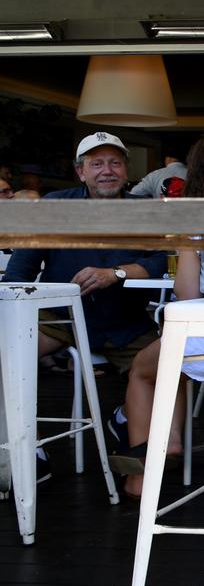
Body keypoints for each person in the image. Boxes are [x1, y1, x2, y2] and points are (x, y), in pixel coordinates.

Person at [2, 132, 166, 476]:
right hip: (60, 320)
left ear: (125, 171)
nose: (106, 170)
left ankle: (131, 437)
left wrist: (116, 273)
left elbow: (159, 262)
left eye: (114, 162)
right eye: (96, 163)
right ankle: (26, 451)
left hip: (125, 323)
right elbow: (20, 270)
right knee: (5, 362)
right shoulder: (56, 206)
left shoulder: (145, 209)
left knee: (173, 366)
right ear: (81, 172)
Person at [107, 134, 204, 498]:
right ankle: (174, 438)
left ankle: (142, 474)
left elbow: (187, 294)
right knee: (170, 355)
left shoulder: (200, 218)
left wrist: (184, 243)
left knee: (145, 369)